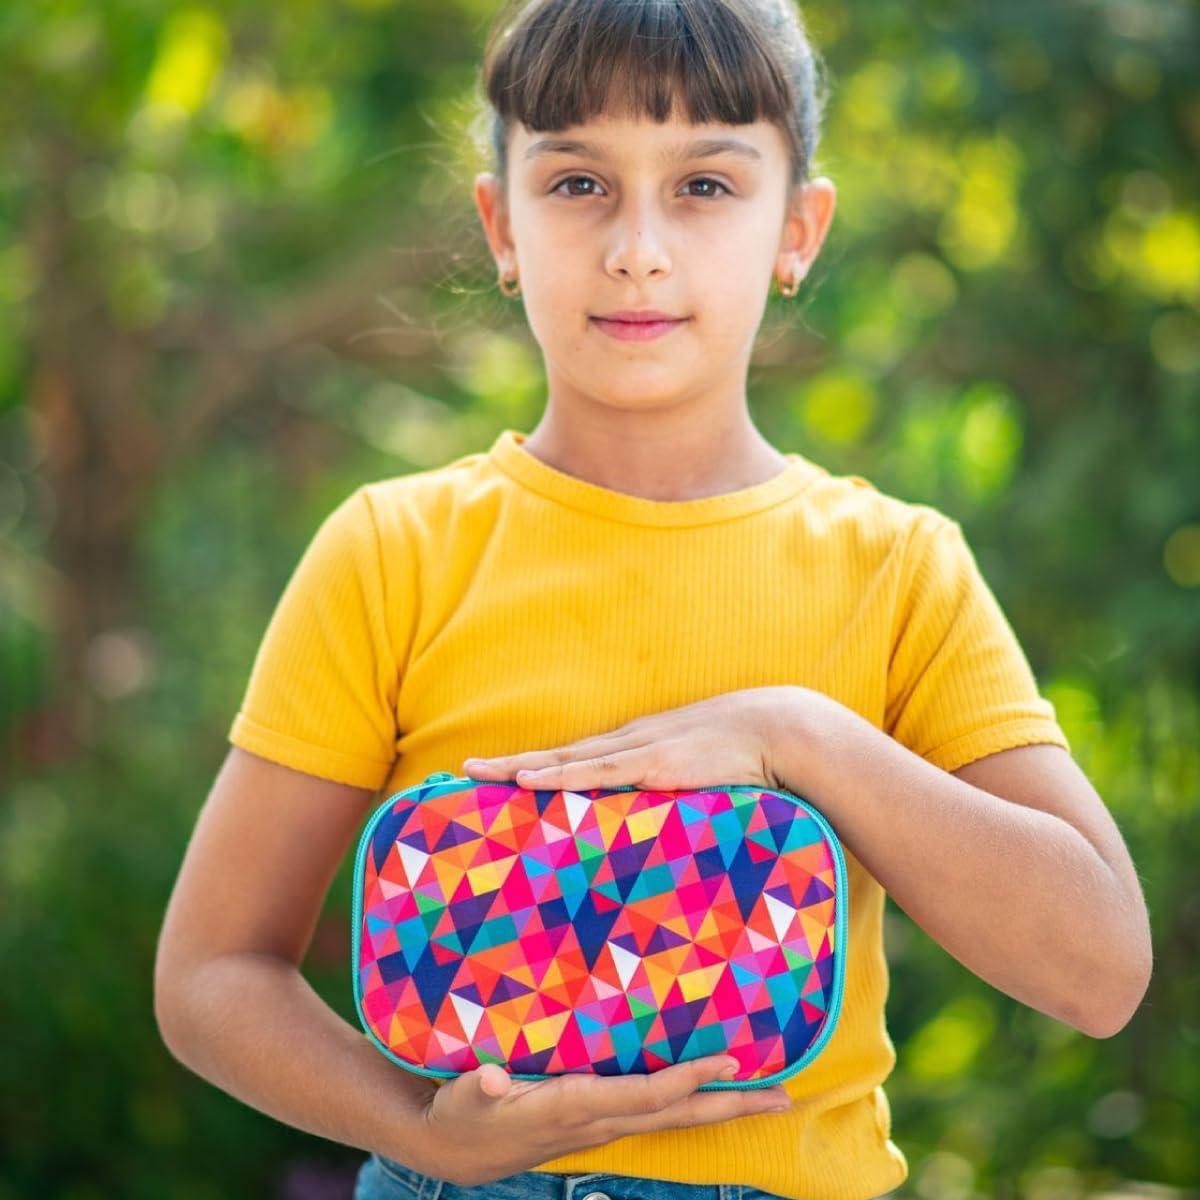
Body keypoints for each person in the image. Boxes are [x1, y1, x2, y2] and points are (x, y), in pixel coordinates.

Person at [153, 0, 1153, 1198]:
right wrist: (421, 1132)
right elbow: (212, 972)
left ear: (800, 229)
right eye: (577, 184)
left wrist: (801, 736)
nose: (637, 246)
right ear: (499, 223)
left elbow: (1099, 970)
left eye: (705, 187)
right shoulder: (394, 551)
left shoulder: (898, 569)